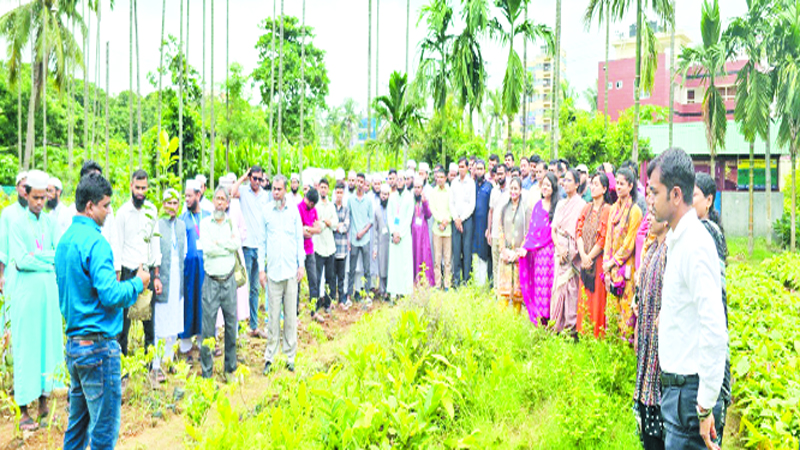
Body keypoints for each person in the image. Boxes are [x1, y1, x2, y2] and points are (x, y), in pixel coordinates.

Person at [56, 173, 150, 449]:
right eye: (105, 206)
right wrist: (137, 283)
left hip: (75, 346)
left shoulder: (64, 242)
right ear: (89, 206)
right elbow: (110, 295)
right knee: (104, 433)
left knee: (77, 430)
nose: (109, 212)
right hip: (98, 349)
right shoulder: (96, 244)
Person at [647, 148, 727, 450]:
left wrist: (705, 404)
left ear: (676, 194)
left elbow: (714, 327)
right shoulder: (679, 239)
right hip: (678, 395)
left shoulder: (694, 243)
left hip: (690, 398)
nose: (650, 200)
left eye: (655, 192)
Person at [6, 170, 64, 431]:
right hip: (26, 296)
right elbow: (21, 260)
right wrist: (45, 259)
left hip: (48, 296)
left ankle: (43, 405)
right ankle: (23, 410)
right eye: (36, 197)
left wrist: (39, 257)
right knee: (26, 348)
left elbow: (57, 254)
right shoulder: (16, 223)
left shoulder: (50, 223)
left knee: (46, 347)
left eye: (44, 197)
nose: (40, 202)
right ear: (26, 194)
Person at [693, 171, 733, 424]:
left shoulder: (709, 233)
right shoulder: (692, 231)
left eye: (694, 195)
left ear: (708, 200)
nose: (688, 200)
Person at [261, 175, 305, 374]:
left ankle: (289, 356)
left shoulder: (293, 211)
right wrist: (262, 269)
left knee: (290, 317)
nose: (276, 192)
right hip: (273, 272)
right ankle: (270, 356)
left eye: (279, 189)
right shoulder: (266, 212)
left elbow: (298, 239)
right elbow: (262, 242)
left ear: (285, 190)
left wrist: (301, 265)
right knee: (272, 316)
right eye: (274, 189)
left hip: (290, 272)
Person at [634, 203, 669, 450]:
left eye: (653, 216)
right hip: (646, 343)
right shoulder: (652, 247)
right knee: (646, 426)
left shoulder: (670, 250)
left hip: (661, 346)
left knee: (657, 427)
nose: (649, 220)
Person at [116, 169, 161, 356]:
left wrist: (156, 275)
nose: (140, 192)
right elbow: (117, 246)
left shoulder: (152, 211)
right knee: (122, 326)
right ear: (131, 187)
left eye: (144, 188)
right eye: (137, 188)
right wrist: (117, 277)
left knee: (149, 325)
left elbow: (155, 242)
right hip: (127, 273)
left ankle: (151, 367)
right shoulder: (122, 213)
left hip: (147, 275)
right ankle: (123, 368)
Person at [198, 187, 241, 380]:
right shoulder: (205, 223)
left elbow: (236, 245)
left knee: (232, 326)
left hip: (229, 280)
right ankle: (207, 373)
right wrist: (224, 245)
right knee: (208, 329)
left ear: (228, 203)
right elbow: (207, 248)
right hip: (211, 282)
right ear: (213, 200)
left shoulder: (231, 223)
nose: (220, 202)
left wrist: (219, 243)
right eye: (217, 198)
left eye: (224, 199)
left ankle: (230, 369)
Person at [602, 167, 643, 341]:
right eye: (617, 183)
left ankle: (625, 354)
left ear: (630, 186)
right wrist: (606, 266)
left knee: (626, 315)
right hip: (611, 269)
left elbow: (629, 244)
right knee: (612, 313)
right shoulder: (613, 209)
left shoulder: (635, 211)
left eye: (622, 184)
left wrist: (612, 263)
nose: (618, 187)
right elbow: (608, 240)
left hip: (626, 270)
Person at [152, 189, 186, 383]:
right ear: (163, 205)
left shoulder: (181, 226)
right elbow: (156, 254)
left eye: (175, 203)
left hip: (177, 277)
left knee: (174, 318)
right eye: (168, 203)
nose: (172, 207)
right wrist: (157, 275)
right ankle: (156, 365)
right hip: (163, 277)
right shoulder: (158, 225)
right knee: (161, 320)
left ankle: (169, 359)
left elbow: (185, 252)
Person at [231, 166, 269, 339]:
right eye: (254, 178)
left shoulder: (265, 196)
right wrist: (243, 177)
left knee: (254, 288)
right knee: (241, 287)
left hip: (259, 247)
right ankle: (239, 326)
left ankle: (253, 325)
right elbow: (232, 192)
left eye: (260, 179)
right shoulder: (244, 192)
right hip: (246, 246)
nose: (257, 182)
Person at [549, 169, 587, 334]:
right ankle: (555, 325)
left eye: (569, 180)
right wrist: (558, 246)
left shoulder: (581, 205)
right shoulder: (560, 204)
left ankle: (570, 328)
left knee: (571, 290)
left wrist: (570, 252)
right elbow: (554, 229)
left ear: (577, 184)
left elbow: (580, 232)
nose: (565, 183)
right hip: (559, 250)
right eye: (564, 180)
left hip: (572, 252)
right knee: (558, 289)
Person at [575, 172, 612, 338]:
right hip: (586, 260)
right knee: (584, 297)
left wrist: (589, 257)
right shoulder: (586, 208)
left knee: (597, 299)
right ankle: (584, 333)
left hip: (597, 262)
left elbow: (603, 238)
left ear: (604, 188)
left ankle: (597, 334)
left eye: (596, 184)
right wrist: (583, 254)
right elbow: (578, 231)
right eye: (591, 183)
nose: (592, 186)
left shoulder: (607, 210)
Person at [520, 172, 559, 326]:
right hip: (539, 254)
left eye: (548, 185)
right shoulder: (538, 205)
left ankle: (552, 317)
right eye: (543, 185)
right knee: (539, 285)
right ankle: (540, 318)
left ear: (553, 188)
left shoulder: (558, 206)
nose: (545, 188)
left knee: (550, 286)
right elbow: (532, 230)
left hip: (552, 252)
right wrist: (526, 247)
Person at [179, 180, 209, 360]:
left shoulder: (208, 216)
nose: (187, 199)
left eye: (190, 196)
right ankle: (185, 346)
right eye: (186, 196)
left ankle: (202, 342)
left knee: (204, 303)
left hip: (205, 268)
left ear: (198, 195)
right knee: (188, 303)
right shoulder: (183, 219)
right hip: (188, 270)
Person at [496, 177, 531, 313]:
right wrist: (503, 250)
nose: (513, 191)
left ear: (521, 190)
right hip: (505, 254)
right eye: (511, 188)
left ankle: (516, 320)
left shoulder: (525, 210)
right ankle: (502, 321)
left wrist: (518, 252)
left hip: (519, 255)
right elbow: (500, 230)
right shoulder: (504, 208)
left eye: (516, 188)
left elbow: (528, 232)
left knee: (518, 292)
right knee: (504, 292)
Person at [0, 171, 28, 329]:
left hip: (30, 274)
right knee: (10, 314)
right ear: (17, 188)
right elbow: (2, 245)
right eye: (24, 187)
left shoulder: (35, 214)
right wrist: (1, 275)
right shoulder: (8, 214)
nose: (26, 191)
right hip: (12, 274)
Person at [387, 173, 415, 298]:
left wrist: (400, 234)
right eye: (397, 180)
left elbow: (409, 218)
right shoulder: (392, 197)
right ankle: (393, 293)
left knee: (405, 264)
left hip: (404, 236)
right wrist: (393, 232)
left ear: (405, 181)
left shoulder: (409, 197)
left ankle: (406, 292)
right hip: (394, 236)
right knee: (394, 265)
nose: (399, 182)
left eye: (401, 180)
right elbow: (390, 216)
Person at [449, 157, 476, 287]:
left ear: (467, 168)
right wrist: (456, 218)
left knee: (466, 251)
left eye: (463, 166)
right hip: (455, 221)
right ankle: (456, 281)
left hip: (467, 221)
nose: (461, 169)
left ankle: (466, 281)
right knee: (456, 250)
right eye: (459, 167)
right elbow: (451, 203)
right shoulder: (453, 183)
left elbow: (472, 204)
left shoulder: (471, 183)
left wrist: (462, 219)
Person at [313, 178, 338, 315]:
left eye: (325, 187)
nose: (323, 190)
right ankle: (316, 303)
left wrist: (326, 222)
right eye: (321, 187)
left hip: (330, 246)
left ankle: (328, 303)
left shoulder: (331, 206)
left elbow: (335, 223)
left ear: (328, 189)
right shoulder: (316, 206)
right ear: (319, 188)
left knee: (330, 276)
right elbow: (316, 225)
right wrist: (325, 223)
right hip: (318, 246)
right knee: (317, 277)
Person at [347, 173, 373, 303]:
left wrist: (362, 232)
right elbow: (348, 218)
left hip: (365, 239)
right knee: (351, 269)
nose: (359, 184)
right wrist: (348, 239)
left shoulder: (368, 200)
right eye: (358, 181)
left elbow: (371, 221)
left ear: (364, 184)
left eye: (362, 182)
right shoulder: (350, 199)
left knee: (367, 268)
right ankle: (348, 296)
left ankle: (367, 294)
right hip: (353, 239)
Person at [299, 187, 322, 319]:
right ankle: (295, 312)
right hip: (299, 250)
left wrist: (308, 229)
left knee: (314, 280)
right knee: (297, 281)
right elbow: (300, 231)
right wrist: (309, 229)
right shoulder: (299, 208)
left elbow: (318, 229)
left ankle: (314, 311)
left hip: (310, 250)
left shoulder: (313, 210)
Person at [429, 168, 452, 290]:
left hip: (447, 230)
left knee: (447, 259)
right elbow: (432, 209)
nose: (440, 179)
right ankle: (438, 284)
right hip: (437, 230)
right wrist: (440, 221)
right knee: (437, 258)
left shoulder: (450, 191)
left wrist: (446, 221)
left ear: (446, 178)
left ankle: (447, 284)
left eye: (442, 177)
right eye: (437, 177)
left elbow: (452, 209)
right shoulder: (433, 192)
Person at [411, 176, 435, 287]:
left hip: (423, 233)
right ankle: (414, 281)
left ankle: (425, 281)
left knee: (423, 255)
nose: (417, 189)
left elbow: (429, 215)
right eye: (415, 187)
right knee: (413, 255)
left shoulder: (425, 199)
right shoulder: (410, 199)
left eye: (419, 187)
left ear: (422, 188)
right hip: (412, 233)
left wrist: (425, 202)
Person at [473, 160, 493, 286]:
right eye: (477, 169)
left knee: (484, 254)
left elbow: (491, 209)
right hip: (473, 226)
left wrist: (489, 228)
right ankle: (476, 283)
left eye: (481, 168)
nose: (479, 171)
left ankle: (483, 283)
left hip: (485, 226)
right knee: (475, 254)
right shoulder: (472, 185)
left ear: (485, 170)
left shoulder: (489, 186)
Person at [488, 164, 509, 284]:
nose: (499, 176)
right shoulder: (493, 190)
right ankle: (496, 291)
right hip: (494, 233)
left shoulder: (511, 190)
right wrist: (489, 230)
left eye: (501, 173)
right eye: (497, 174)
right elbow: (490, 211)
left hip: (505, 234)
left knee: (504, 264)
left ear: (506, 174)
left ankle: (504, 291)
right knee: (495, 263)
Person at [332, 182, 351, 308]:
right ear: (335, 193)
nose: (339, 195)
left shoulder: (346, 209)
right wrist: (338, 225)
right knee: (332, 275)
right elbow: (331, 224)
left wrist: (337, 226)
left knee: (342, 276)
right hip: (332, 248)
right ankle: (332, 299)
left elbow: (346, 226)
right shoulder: (331, 208)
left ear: (343, 194)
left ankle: (341, 300)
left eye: (341, 192)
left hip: (343, 248)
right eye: (337, 192)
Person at [372, 184, 391, 299]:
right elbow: (374, 230)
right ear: (380, 195)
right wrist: (375, 248)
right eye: (382, 194)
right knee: (382, 266)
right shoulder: (377, 210)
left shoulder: (392, 208)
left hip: (391, 241)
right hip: (381, 242)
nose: (384, 197)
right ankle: (383, 290)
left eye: (386, 194)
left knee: (390, 265)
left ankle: (390, 290)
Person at [47, 176, 71, 241]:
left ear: (58, 192)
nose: (48, 194)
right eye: (47, 191)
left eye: (50, 191)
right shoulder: (50, 213)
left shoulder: (65, 212)